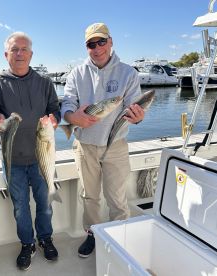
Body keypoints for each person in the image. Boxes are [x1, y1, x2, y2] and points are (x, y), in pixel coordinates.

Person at [61, 22, 145, 258]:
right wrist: (72, 117)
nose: (97, 48)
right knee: (89, 196)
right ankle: (93, 233)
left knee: (117, 197)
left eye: (101, 42)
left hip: (115, 145)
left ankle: (120, 236)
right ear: (86, 47)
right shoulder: (76, 74)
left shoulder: (128, 73)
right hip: (85, 145)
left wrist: (138, 118)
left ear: (110, 42)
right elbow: (67, 102)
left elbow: (134, 109)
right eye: (91, 44)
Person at [0, 32, 60, 271]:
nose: (19, 54)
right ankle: (27, 244)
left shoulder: (45, 83)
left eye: (24, 49)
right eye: (14, 49)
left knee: (45, 204)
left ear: (31, 54)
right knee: (20, 207)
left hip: (42, 158)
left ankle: (45, 238)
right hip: (13, 161)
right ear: (6, 54)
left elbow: (55, 109)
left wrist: (54, 118)